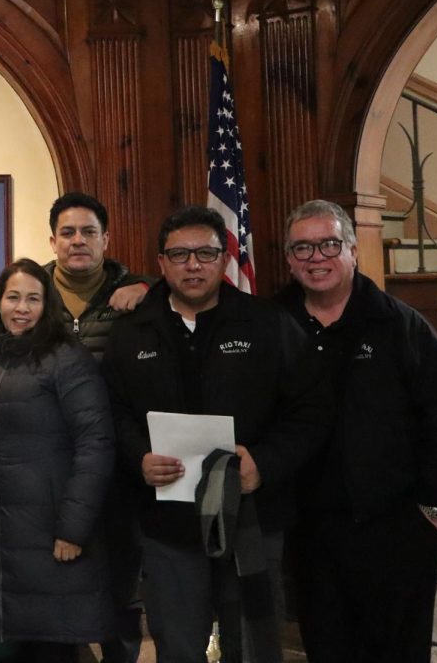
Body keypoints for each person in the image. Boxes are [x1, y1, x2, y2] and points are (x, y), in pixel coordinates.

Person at [102, 205, 326, 663]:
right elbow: (112, 414)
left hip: (251, 517)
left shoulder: (267, 325)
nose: (192, 264)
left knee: (253, 646)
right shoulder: (130, 334)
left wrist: (266, 463)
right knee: (178, 645)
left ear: (225, 259)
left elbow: (311, 411)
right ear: (161, 263)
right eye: (179, 254)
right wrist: (137, 456)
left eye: (205, 253)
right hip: (167, 524)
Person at [275, 199, 437, 663]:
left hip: (396, 528)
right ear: (289, 259)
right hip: (309, 531)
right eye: (302, 248)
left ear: (352, 251)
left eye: (328, 244)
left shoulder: (401, 326)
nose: (316, 257)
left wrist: (431, 502)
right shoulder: (271, 324)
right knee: (328, 648)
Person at [0, 258, 115, 662]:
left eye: (33, 298)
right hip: (1, 533)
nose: (21, 307)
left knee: (54, 646)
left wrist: (74, 528)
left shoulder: (67, 358)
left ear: (46, 304)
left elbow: (96, 443)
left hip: (52, 531)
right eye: (13, 297)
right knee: (22, 645)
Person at [45, 191, 151, 663]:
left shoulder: (137, 297)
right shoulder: (31, 296)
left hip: (120, 465)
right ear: (52, 241)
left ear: (106, 239)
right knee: (58, 580)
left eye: (88, 231)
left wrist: (152, 289)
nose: (78, 241)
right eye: (67, 232)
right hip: (52, 465)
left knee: (121, 582)